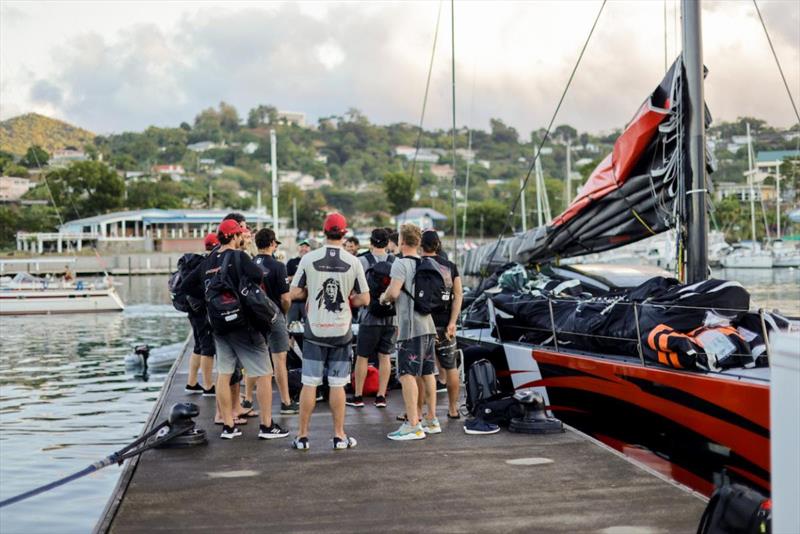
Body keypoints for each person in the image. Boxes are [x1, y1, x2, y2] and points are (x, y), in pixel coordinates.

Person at [180, 219, 289, 441]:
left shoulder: (209, 260)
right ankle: (267, 426)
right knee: (264, 374)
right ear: (234, 236)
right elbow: (259, 275)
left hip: (219, 325)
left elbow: (186, 285)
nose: (243, 237)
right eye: (240, 234)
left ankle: (228, 426)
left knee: (224, 372)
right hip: (243, 324)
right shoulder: (240, 257)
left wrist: (210, 295)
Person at [289, 213, 369, 450]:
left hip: (315, 331)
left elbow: (294, 292)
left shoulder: (309, 258)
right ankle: (339, 435)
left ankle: (302, 436)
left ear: (324, 232)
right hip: (341, 331)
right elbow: (365, 297)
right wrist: (348, 299)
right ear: (344, 235)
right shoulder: (353, 261)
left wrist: (310, 293)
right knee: (337, 384)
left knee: (310, 383)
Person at [379, 223, 439, 440]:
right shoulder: (426, 262)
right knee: (427, 372)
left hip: (410, 328)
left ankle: (413, 424)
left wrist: (383, 297)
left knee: (406, 374)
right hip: (428, 326)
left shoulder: (400, 264)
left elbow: (394, 292)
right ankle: (431, 419)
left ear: (402, 242)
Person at [346, 228, 395, 409]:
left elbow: (353, 289)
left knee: (362, 356)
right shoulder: (395, 261)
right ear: (388, 242)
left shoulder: (362, 261)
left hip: (369, 317)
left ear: (371, 242)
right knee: (385, 356)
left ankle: (358, 396)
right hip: (390, 317)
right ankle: (381, 396)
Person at [253, 228, 299, 415]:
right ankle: (286, 402)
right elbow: (286, 298)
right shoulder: (279, 267)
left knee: (254, 358)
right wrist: (283, 313)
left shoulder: (249, 263)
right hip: (274, 316)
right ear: (272, 244)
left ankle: (248, 400)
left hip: (254, 315)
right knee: (279, 360)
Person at [421, 230, 463, 419]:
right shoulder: (450, 266)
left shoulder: (418, 265)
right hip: (446, 325)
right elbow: (458, 295)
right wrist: (453, 322)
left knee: (423, 370)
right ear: (438, 245)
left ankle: (421, 412)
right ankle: (453, 409)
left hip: (424, 324)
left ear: (421, 246)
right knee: (451, 366)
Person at [184, 232, 219, 396]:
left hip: (192, 309)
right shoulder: (207, 264)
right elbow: (189, 284)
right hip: (200, 310)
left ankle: (191, 382)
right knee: (207, 347)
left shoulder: (198, 261)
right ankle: (208, 385)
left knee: (198, 345)